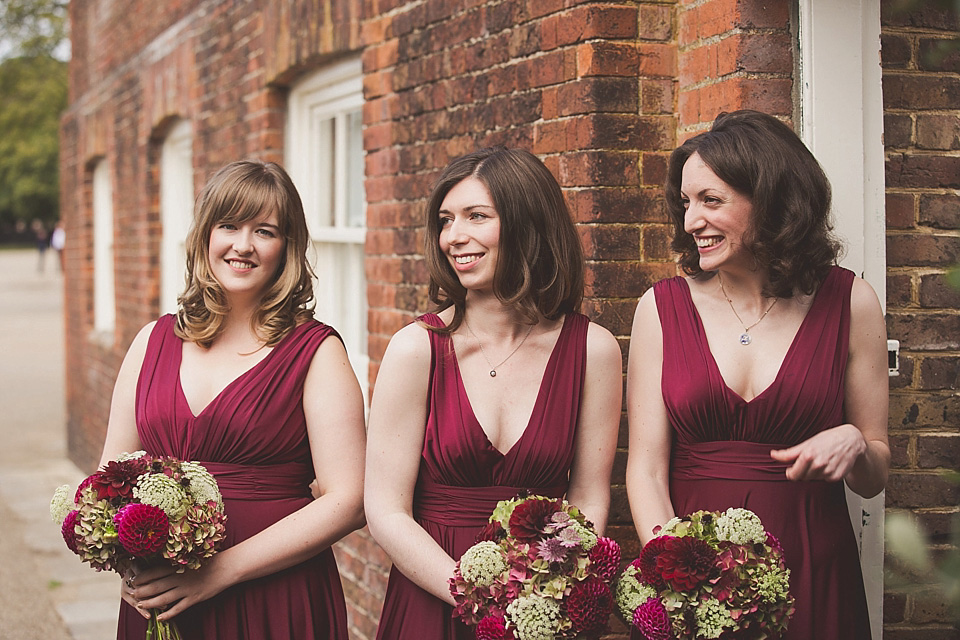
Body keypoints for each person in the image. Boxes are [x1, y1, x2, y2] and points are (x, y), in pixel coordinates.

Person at [625, 110, 889, 639]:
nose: (690, 222)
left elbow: (875, 476)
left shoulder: (850, 302)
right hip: (689, 575)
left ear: (770, 201)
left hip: (811, 564)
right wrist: (678, 571)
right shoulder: (662, 307)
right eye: (685, 203)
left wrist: (856, 442)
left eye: (711, 201)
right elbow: (646, 469)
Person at [98, 160, 366, 639]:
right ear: (205, 236)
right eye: (229, 226)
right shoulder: (151, 341)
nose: (243, 245)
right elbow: (110, 478)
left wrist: (220, 571)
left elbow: (349, 499)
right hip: (165, 598)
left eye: (264, 231)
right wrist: (125, 559)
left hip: (273, 595)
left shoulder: (316, 352)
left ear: (287, 248)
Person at [365, 147, 622, 639]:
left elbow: (588, 495)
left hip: (542, 608)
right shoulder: (416, 350)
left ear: (528, 224)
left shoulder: (593, 349)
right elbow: (385, 511)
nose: (453, 237)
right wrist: (479, 597)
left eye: (476, 216)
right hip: (433, 596)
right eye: (445, 220)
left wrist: (546, 595)